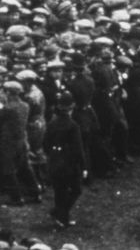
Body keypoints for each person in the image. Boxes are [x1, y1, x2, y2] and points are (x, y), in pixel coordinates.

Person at [45, 92, 86, 229]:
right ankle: (61, 214)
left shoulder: (52, 123)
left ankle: (61, 216)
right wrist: (83, 165)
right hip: (69, 161)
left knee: (59, 190)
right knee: (76, 189)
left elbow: (46, 143)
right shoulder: (73, 125)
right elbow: (78, 148)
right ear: (72, 106)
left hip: (55, 159)